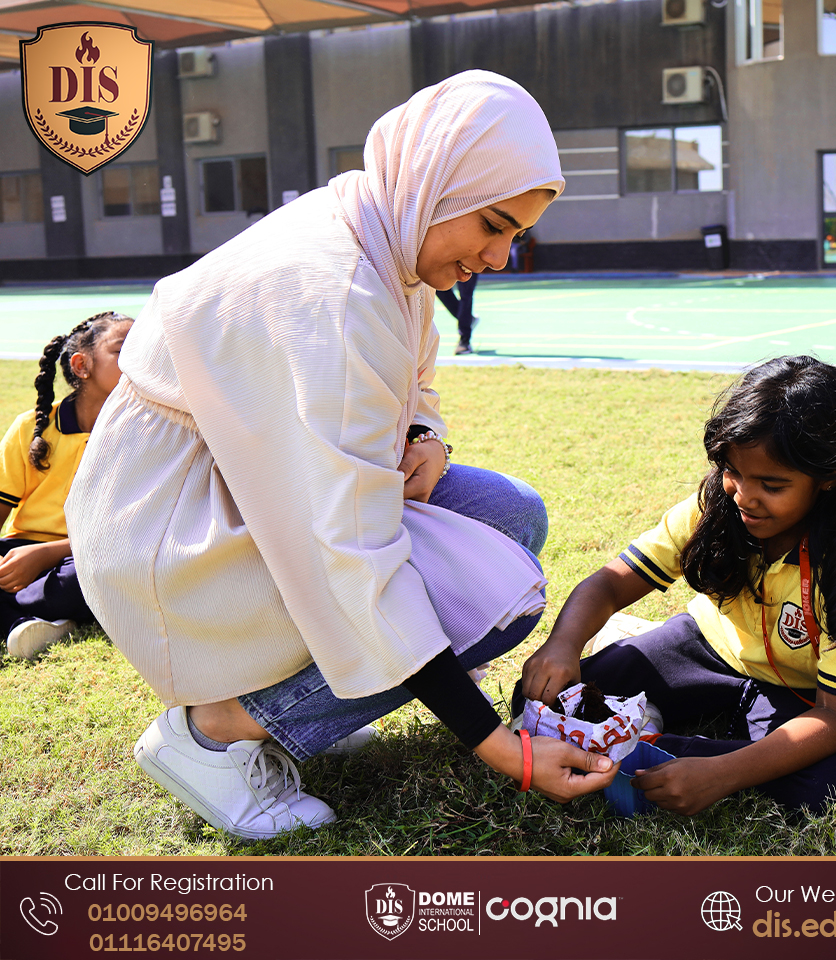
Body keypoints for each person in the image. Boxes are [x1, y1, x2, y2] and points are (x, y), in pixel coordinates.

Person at [65, 71, 617, 840]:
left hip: (235, 489)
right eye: (492, 224)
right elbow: (352, 553)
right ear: (438, 181)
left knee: (507, 519)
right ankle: (216, 731)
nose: (498, 255)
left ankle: (301, 707)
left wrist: (426, 436)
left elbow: (413, 376)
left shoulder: (388, 225)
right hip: (170, 522)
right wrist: (497, 745)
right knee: (465, 586)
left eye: (515, 233)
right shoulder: (334, 288)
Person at [519, 356, 836, 815]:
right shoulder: (713, 509)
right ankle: (658, 721)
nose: (743, 496)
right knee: (540, 695)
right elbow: (610, 584)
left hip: (799, 694)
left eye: (772, 484)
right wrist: (563, 644)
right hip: (706, 648)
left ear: (829, 477)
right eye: (732, 470)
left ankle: (662, 745)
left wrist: (722, 775)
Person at [1, 312, 132, 659]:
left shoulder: (144, 432)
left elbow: (129, 530)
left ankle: (16, 617)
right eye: (123, 349)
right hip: (17, 550)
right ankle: (25, 623)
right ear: (81, 365)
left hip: (86, 556)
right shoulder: (32, 427)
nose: (140, 356)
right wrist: (25, 555)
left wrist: (45, 553)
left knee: (97, 577)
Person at [436, 272, 479, 355]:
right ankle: (468, 320)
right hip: (449, 259)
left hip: (469, 260)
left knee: (465, 294)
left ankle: (464, 340)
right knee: (438, 287)